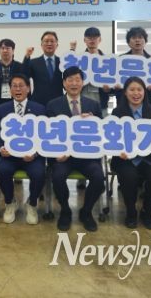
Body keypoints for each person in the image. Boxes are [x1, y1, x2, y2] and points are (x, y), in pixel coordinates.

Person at [46, 66, 104, 232]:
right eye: (70, 80)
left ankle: (86, 211)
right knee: (57, 176)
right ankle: (65, 210)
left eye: (77, 80)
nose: (74, 83)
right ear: (64, 83)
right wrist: (56, 155)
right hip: (64, 157)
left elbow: (101, 134)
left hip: (86, 157)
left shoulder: (93, 105)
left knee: (98, 177)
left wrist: (92, 122)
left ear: (82, 83)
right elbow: (48, 135)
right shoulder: (53, 105)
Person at [111, 77, 151, 229]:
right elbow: (111, 138)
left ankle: (147, 212)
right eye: (132, 90)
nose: (136, 93)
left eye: (139, 89)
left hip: (150, 158)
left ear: (144, 92)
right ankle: (131, 212)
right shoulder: (117, 112)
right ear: (125, 93)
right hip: (126, 159)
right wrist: (118, 151)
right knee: (128, 177)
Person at [0, 73, 46, 224]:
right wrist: (0, 148)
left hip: (32, 156)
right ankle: (10, 203)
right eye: (14, 86)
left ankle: (32, 203)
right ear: (10, 90)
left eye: (21, 86)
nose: (18, 89)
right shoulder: (2, 109)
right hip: (9, 155)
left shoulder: (39, 109)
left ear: (28, 88)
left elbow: (44, 136)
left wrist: (35, 154)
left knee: (39, 173)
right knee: (2, 171)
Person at [69, 27, 111, 116]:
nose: (92, 40)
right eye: (89, 37)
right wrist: (72, 50)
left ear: (100, 39)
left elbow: (112, 83)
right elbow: (69, 75)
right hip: (82, 101)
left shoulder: (107, 61)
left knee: (102, 124)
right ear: (84, 40)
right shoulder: (79, 59)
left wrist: (109, 88)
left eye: (95, 37)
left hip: (101, 102)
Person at [116, 26, 151, 104]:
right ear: (128, 42)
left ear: (145, 41)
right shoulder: (120, 60)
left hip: (146, 103)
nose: (137, 40)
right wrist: (116, 88)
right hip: (124, 103)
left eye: (140, 37)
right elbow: (114, 86)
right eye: (134, 38)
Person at [23, 31, 63, 106]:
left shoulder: (62, 62)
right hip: (38, 102)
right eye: (46, 41)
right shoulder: (33, 62)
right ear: (41, 45)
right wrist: (27, 56)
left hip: (58, 102)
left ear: (57, 45)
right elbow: (24, 76)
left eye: (52, 41)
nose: (49, 44)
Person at [0, 39, 24, 111]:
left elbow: (24, 86)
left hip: (16, 103)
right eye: (2, 48)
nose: (5, 51)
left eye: (8, 48)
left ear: (13, 50)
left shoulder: (20, 66)